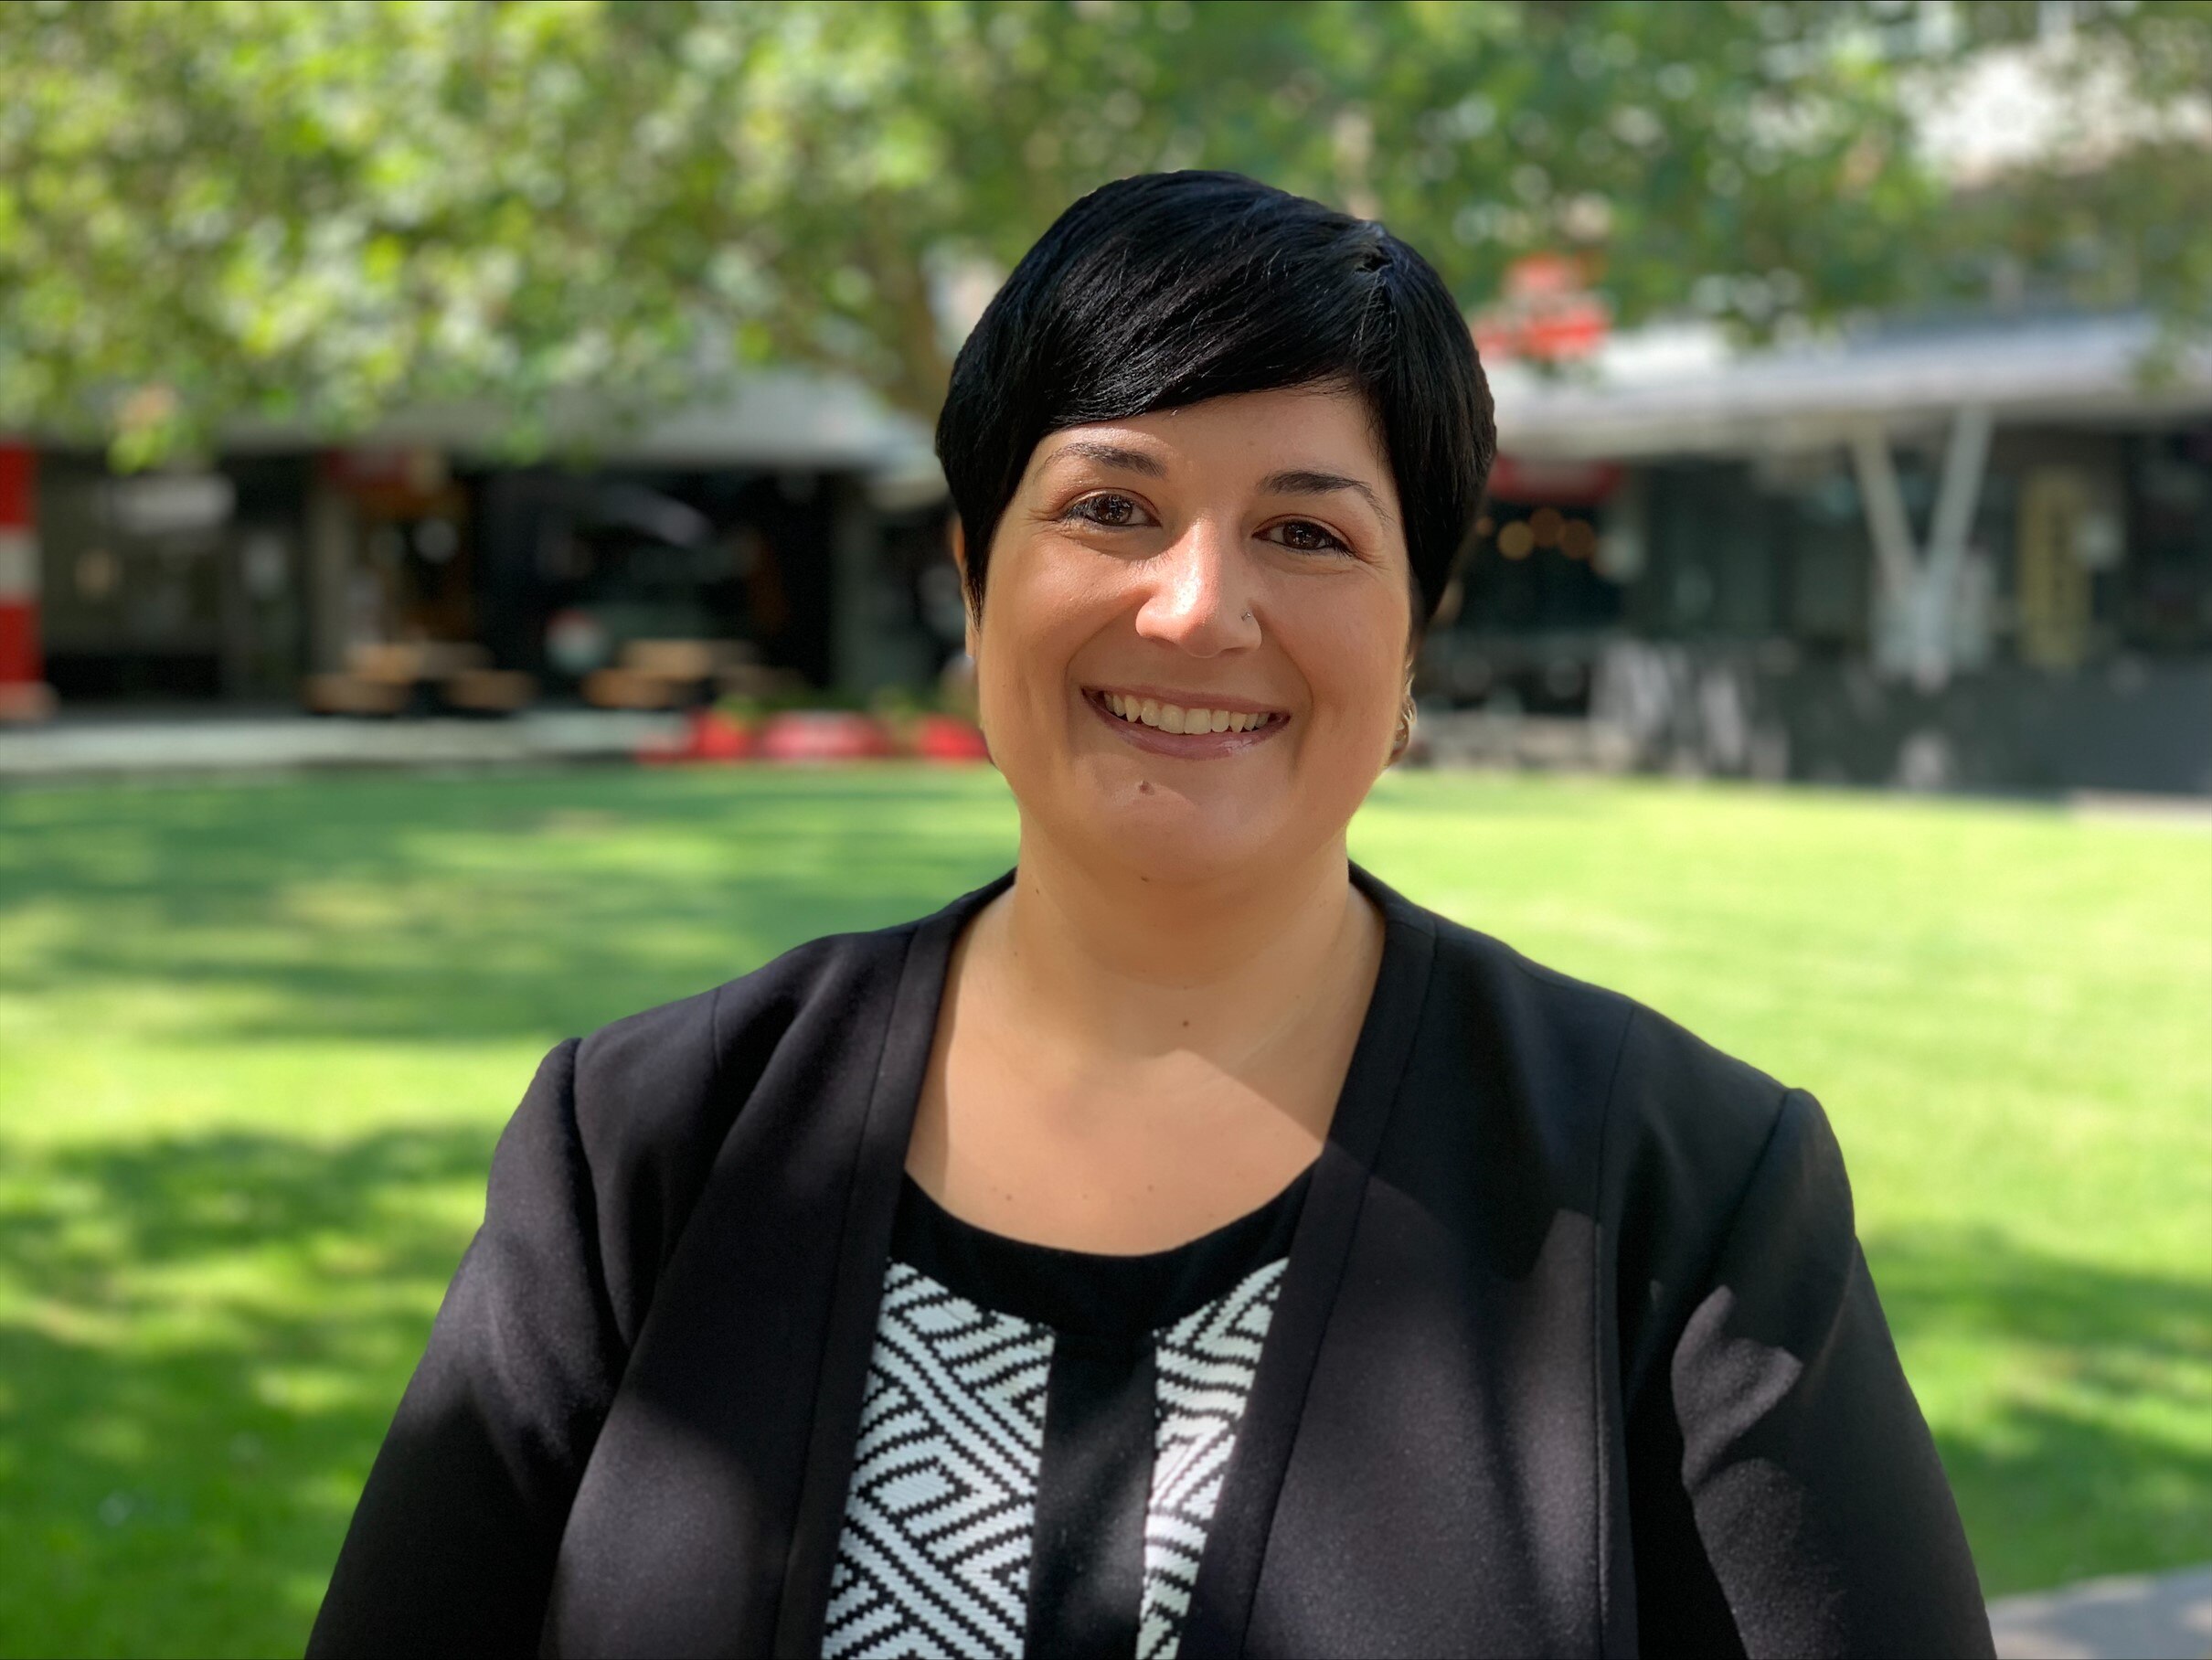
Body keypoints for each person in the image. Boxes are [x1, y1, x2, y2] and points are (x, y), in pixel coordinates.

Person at [310, 172, 1993, 1659]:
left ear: (1416, 633)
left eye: (1307, 532)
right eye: (1112, 507)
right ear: (976, 580)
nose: (1198, 609)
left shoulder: (1686, 1195)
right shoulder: (646, 1146)